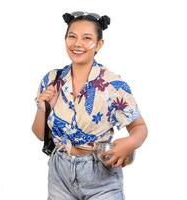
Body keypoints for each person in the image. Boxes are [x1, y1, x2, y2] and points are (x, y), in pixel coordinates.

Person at [32, 11, 148, 200]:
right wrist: (43, 107)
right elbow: (39, 134)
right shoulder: (52, 79)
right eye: (72, 37)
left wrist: (130, 143)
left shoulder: (112, 85)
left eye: (87, 38)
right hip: (59, 174)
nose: (78, 44)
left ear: (99, 44)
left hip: (101, 174)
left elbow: (139, 127)